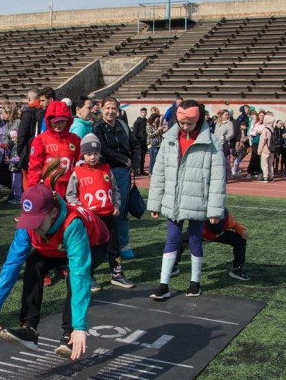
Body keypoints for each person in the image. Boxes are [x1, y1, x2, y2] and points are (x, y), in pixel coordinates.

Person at [0, 181, 109, 360]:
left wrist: (80, 326)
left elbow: (80, 275)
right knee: (34, 263)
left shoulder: (73, 225)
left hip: (93, 244)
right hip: (55, 247)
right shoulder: (27, 226)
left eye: (36, 221)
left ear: (53, 212)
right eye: (29, 220)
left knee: (72, 277)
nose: (32, 226)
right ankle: (29, 329)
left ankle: (69, 334)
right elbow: (11, 265)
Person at [147, 99, 226, 300]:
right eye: (182, 123)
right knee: (171, 240)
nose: (184, 126)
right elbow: (159, 172)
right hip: (173, 201)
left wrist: (215, 210)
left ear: (198, 120)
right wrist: (155, 203)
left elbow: (218, 178)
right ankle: (163, 284)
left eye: (189, 123)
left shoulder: (212, 143)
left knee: (194, 241)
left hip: (198, 200)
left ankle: (195, 283)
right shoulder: (169, 139)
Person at [65, 133, 133, 290]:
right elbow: (70, 195)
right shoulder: (77, 172)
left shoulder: (106, 170)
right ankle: (90, 275)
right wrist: (81, 211)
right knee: (91, 248)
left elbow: (115, 189)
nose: (92, 157)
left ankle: (117, 274)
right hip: (90, 220)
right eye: (89, 154)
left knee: (114, 246)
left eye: (95, 153)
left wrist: (116, 205)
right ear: (83, 154)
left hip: (108, 216)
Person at [93, 96, 140, 259]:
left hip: (122, 173)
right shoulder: (97, 127)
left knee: (122, 209)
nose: (110, 111)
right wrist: (124, 159)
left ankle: (123, 244)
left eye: (113, 108)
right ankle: (106, 246)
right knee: (106, 210)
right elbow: (103, 149)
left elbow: (135, 145)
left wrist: (134, 164)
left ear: (118, 110)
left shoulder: (123, 126)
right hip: (104, 172)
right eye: (107, 108)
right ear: (101, 108)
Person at [173, 209, 251, 281]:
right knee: (179, 240)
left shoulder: (228, 219)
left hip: (220, 235)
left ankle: (237, 268)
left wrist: (242, 231)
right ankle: (174, 266)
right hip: (199, 233)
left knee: (240, 240)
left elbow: (236, 225)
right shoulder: (200, 217)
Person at [26, 100, 80, 197]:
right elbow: (35, 167)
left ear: (68, 120)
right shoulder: (40, 140)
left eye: (62, 121)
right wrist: (33, 189)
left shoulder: (75, 139)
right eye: (55, 122)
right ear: (49, 121)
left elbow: (79, 164)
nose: (59, 125)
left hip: (71, 186)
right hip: (48, 187)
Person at [256, 112, 276, 182]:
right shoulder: (273, 129)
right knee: (271, 164)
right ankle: (271, 176)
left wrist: (259, 151)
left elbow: (262, 141)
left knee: (264, 164)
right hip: (272, 149)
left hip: (266, 149)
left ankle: (265, 177)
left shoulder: (265, 130)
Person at [132, 107, 148, 175]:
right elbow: (135, 133)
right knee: (137, 157)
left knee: (143, 157)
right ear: (140, 112)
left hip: (144, 141)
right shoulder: (137, 122)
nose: (144, 114)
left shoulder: (147, 121)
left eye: (145, 112)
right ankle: (135, 171)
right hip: (139, 141)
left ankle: (141, 170)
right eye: (143, 112)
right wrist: (136, 142)